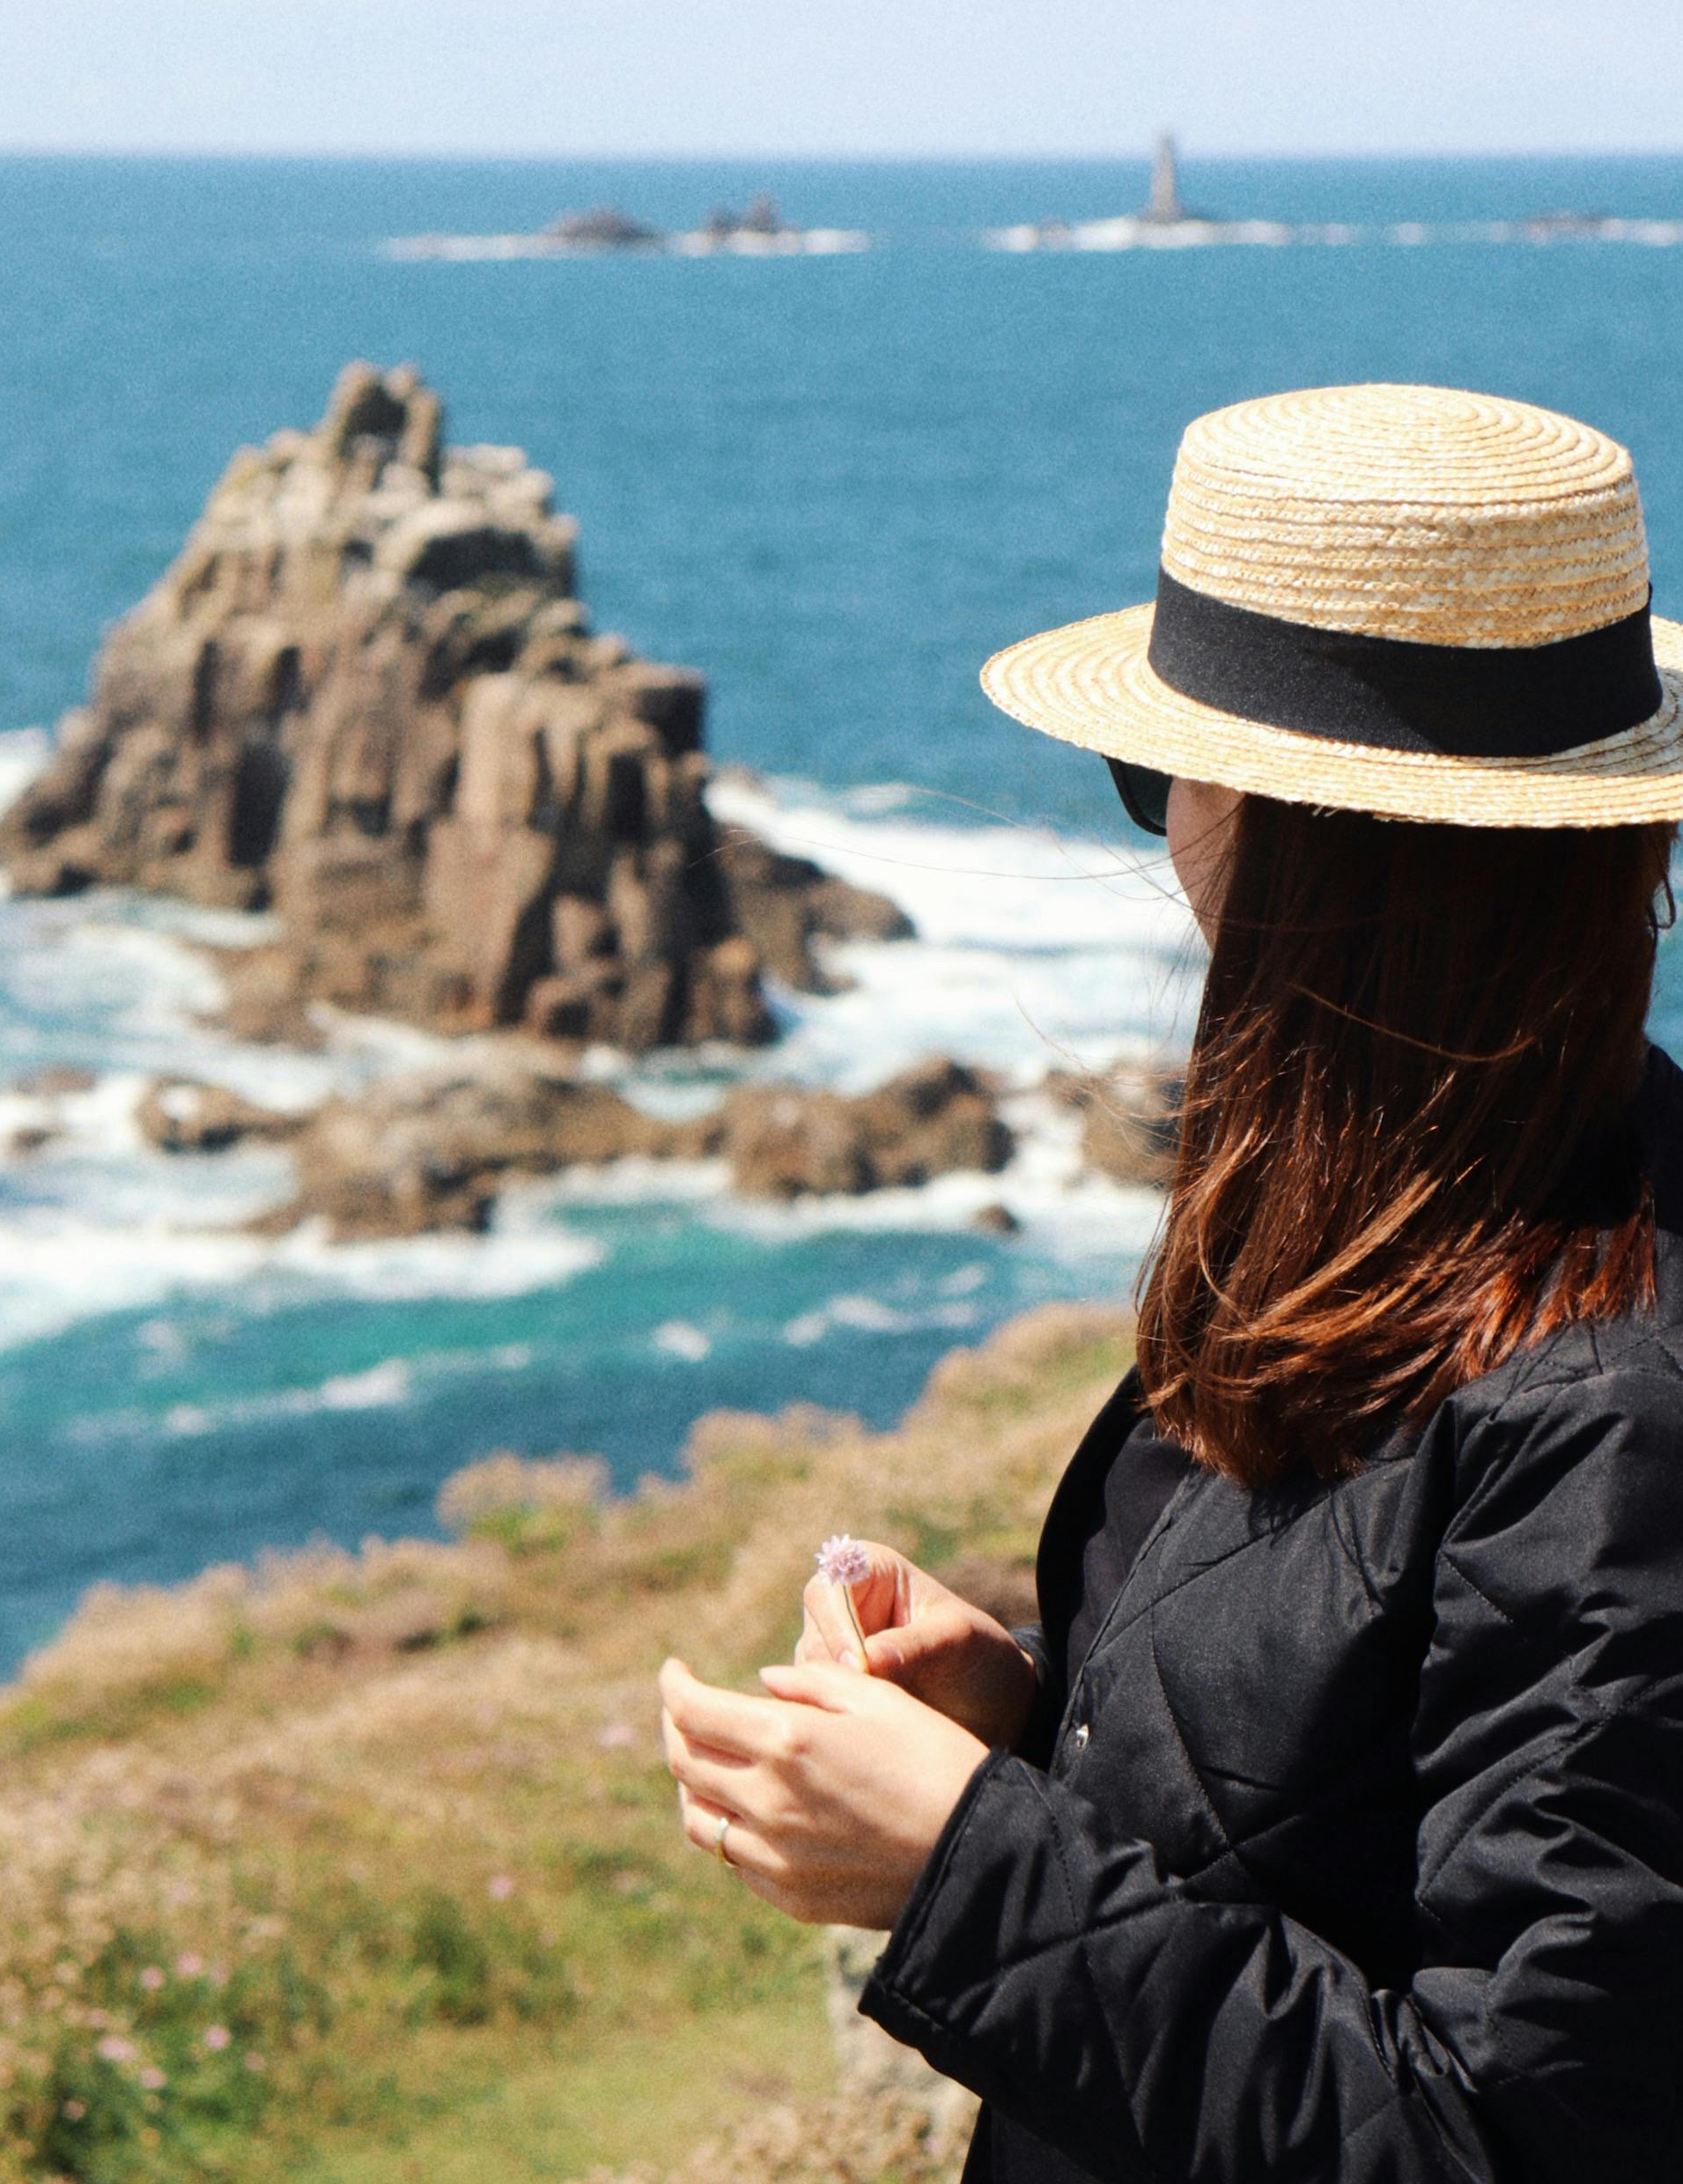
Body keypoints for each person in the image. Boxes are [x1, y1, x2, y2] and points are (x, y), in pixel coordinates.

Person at [658, 384, 1683, 2182]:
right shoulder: (1422, 1203)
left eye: (1158, 774)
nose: (1161, 835)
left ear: (1304, 840)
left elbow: (1507, 2142)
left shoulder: (1609, 1412)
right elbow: (1377, 1785)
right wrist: (1043, 1720)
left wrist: (965, 1867)